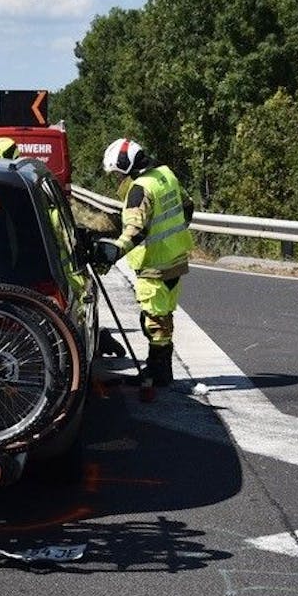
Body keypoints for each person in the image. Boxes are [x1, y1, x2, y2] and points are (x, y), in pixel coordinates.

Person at [103, 137, 194, 401]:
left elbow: (135, 230)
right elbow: (187, 206)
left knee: (153, 319)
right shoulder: (166, 175)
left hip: (153, 262)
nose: (117, 180)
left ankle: (158, 371)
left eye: (117, 175)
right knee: (164, 315)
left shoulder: (139, 189)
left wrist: (114, 251)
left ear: (126, 169)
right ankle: (160, 368)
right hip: (175, 256)